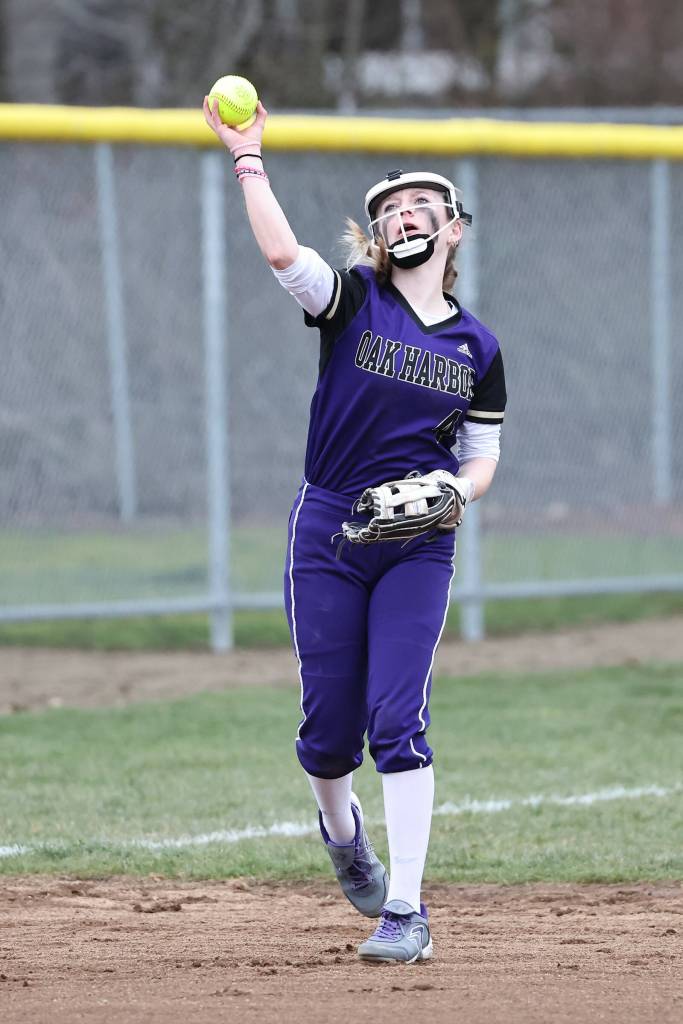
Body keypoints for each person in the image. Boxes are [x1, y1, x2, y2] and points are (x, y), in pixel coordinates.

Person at [203, 96, 506, 963]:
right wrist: (248, 156)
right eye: (386, 211)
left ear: (453, 229)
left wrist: (455, 492)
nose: (402, 215)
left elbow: (482, 456)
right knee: (329, 728)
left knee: (395, 718)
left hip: (418, 542)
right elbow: (278, 253)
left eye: (419, 206)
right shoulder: (353, 301)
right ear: (375, 237)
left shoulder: (478, 347)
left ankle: (405, 911)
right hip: (331, 529)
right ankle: (341, 833)